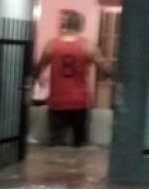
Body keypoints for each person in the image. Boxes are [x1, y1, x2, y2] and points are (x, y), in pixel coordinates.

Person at [34, 12, 112, 147]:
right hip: (79, 102)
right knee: (80, 146)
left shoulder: (51, 45)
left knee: (55, 147)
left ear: (65, 25)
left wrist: (37, 79)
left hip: (57, 101)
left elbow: (38, 68)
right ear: (81, 26)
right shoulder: (88, 46)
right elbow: (105, 69)